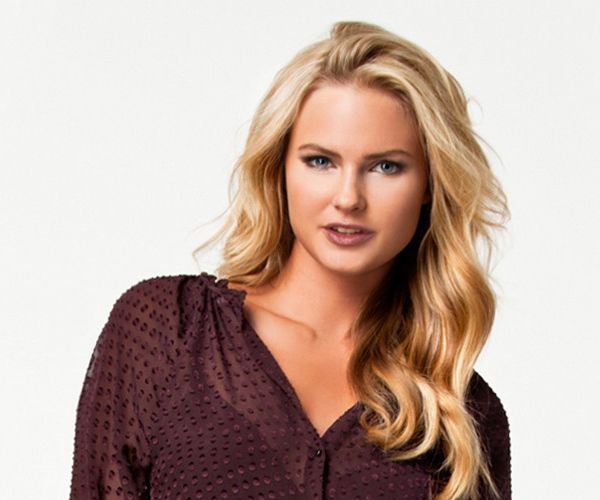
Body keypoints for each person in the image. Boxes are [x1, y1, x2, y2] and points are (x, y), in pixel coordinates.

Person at [70, 21, 511, 500]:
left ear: (429, 183)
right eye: (320, 161)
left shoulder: (461, 417)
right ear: (279, 167)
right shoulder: (171, 331)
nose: (348, 197)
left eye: (386, 166)